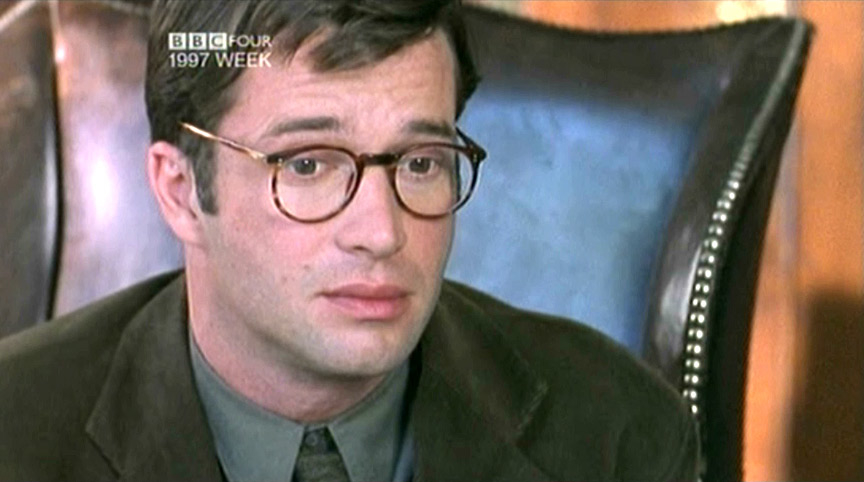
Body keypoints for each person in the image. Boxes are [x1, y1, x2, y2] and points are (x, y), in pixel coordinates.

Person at [0, 0, 698, 480]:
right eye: (308, 165)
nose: (381, 233)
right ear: (180, 190)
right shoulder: (16, 434)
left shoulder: (618, 433)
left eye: (421, 163)